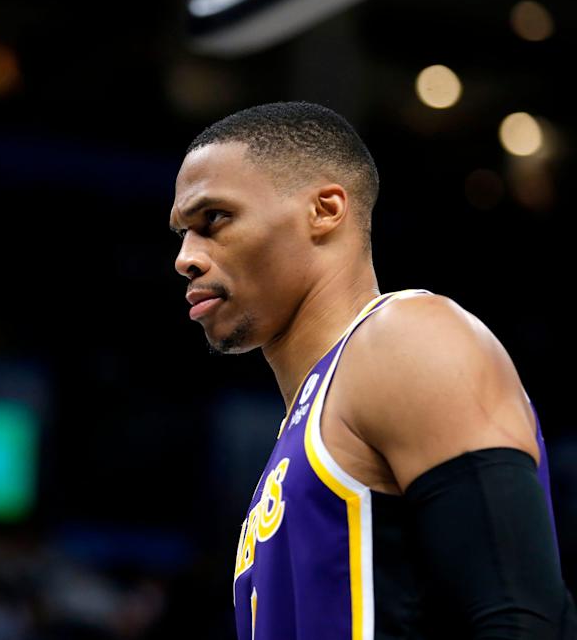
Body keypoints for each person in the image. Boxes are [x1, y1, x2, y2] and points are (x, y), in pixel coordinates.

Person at [168, 101, 577, 639]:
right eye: (182, 233)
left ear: (325, 209)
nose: (186, 257)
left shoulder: (406, 337)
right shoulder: (305, 427)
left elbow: (524, 618)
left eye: (213, 219)